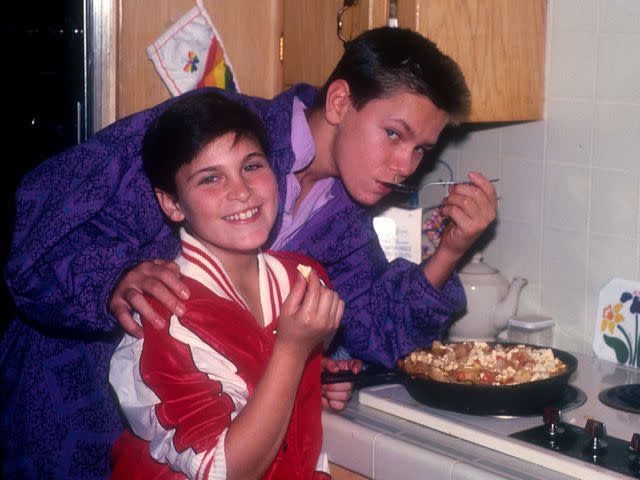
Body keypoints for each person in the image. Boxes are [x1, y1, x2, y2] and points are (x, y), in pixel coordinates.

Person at [1, 27, 496, 479]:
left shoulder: (343, 219)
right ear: (342, 102)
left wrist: (450, 250)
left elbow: (371, 328)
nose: (404, 165)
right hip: (73, 399)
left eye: (421, 150)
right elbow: (45, 208)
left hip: (213, 439)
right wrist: (109, 277)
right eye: (394, 134)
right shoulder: (221, 128)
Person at [109, 90, 340, 479]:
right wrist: (292, 350)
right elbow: (225, 471)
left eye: (251, 166)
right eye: (211, 178)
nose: (241, 191)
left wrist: (322, 371)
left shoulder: (303, 280)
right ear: (172, 204)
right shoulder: (161, 323)